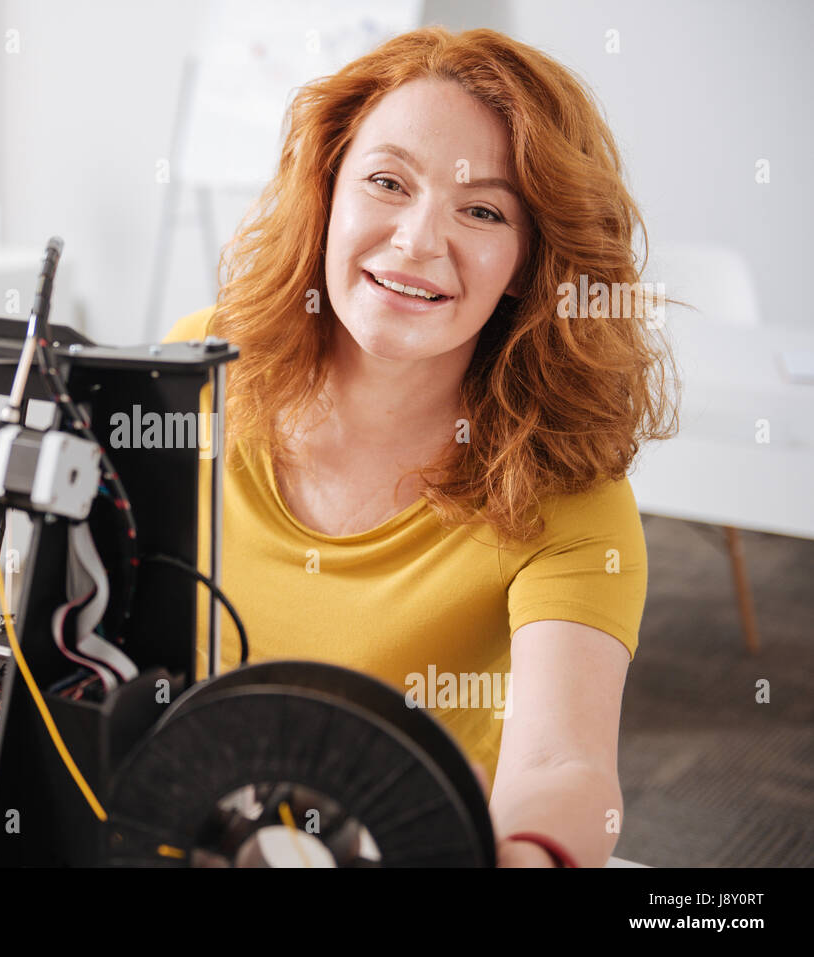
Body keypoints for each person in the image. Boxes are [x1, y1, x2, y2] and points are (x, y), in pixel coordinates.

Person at [162, 26, 679, 867]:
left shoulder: (566, 480)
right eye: (387, 182)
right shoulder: (199, 367)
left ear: (528, 262)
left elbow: (564, 763)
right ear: (328, 191)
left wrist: (522, 854)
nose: (417, 239)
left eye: (482, 210)